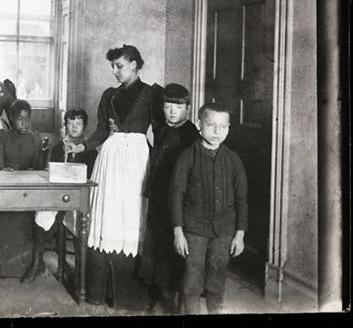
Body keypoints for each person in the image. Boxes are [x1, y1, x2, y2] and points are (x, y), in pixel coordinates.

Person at [85, 44, 164, 309]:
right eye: (113, 66)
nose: (115, 71)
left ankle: (130, 295)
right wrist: (82, 145)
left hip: (137, 159)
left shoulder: (152, 93)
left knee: (132, 215)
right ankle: (99, 290)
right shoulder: (109, 95)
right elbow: (100, 130)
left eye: (119, 66)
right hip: (110, 158)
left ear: (134, 65)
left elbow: (160, 132)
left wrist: (160, 162)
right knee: (108, 214)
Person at [170, 103, 248, 314]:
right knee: (192, 278)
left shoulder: (233, 159)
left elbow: (242, 200)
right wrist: (178, 232)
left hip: (224, 230)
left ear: (228, 129)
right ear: (199, 125)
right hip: (194, 229)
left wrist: (240, 234)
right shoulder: (187, 157)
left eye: (222, 126)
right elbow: (176, 196)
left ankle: (215, 311)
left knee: (217, 276)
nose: (217, 131)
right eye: (211, 125)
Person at [140, 83, 199, 313]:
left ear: (188, 108)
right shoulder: (161, 128)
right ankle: (155, 293)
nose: (172, 111)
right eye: (167, 106)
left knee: (172, 250)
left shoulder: (191, 135)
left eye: (178, 106)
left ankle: (171, 298)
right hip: (157, 195)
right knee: (154, 245)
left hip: (177, 200)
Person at [21, 108, 94, 283]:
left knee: (80, 222)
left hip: (79, 200)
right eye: (70, 123)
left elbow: (90, 180)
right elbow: (51, 173)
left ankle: (80, 271)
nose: (74, 127)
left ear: (84, 126)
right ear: (65, 125)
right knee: (42, 214)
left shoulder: (90, 151)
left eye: (78, 124)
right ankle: (37, 262)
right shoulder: (58, 148)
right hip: (58, 196)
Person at [0, 99, 43, 278]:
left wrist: (32, 172)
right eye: (20, 119)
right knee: (4, 224)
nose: (24, 123)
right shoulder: (1, 136)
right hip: (6, 190)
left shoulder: (35, 138)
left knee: (27, 223)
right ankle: (1, 268)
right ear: (11, 118)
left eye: (27, 119)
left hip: (28, 191)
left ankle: (26, 267)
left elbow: (38, 168)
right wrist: (4, 170)